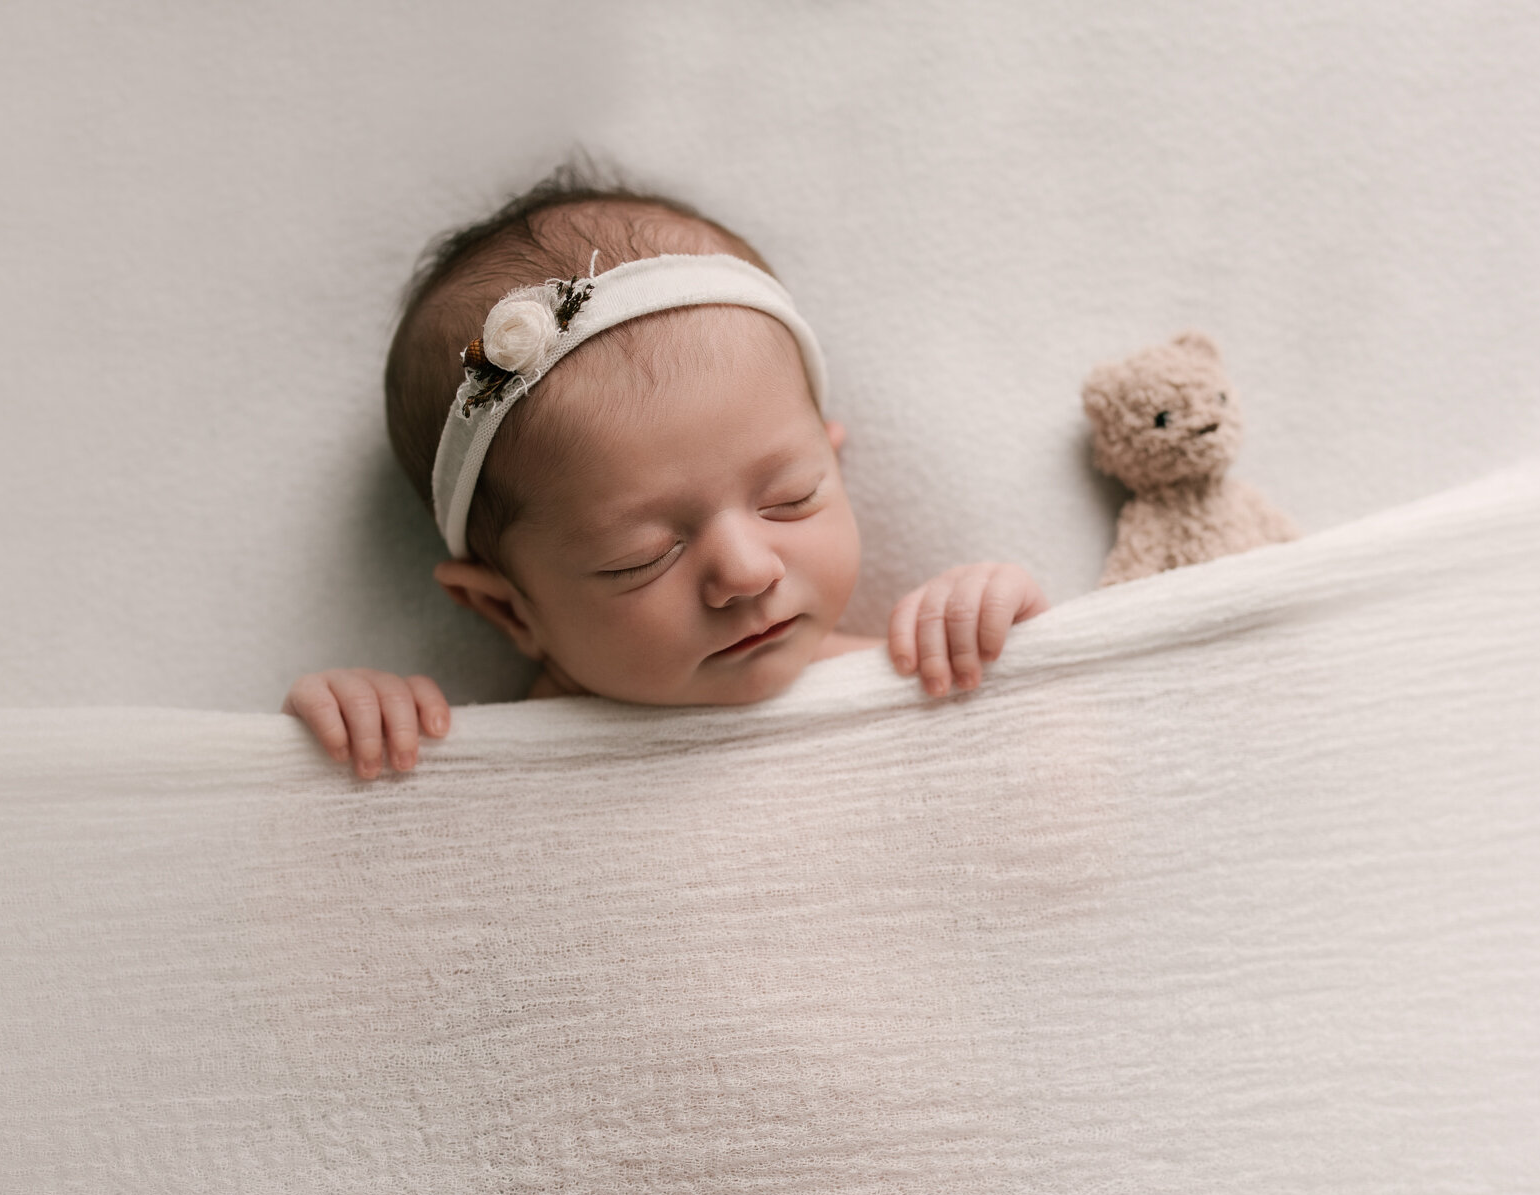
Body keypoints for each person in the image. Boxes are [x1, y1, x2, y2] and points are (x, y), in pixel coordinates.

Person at [285, 168, 1048, 779]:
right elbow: (364, 929)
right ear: (509, 611)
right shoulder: (465, 765)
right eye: (643, 556)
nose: (748, 572)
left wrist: (1026, 666)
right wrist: (345, 762)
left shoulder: (916, 681)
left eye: (791, 499)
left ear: (834, 459)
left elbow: (1079, 839)